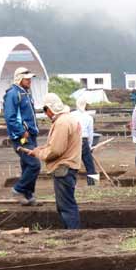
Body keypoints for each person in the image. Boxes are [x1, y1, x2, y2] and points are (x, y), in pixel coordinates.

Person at [29, 93, 83, 229]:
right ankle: (72, 231)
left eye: (45, 111)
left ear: (49, 109)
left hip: (63, 168)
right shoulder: (69, 119)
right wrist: (41, 149)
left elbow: (56, 150)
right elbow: (57, 145)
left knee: (66, 206)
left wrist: (39, 154)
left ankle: (73, 233)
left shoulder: (61, 123)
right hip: (69, 166)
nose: (46, 114)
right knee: (66, 204)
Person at [4, 68, 41, 205]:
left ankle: (28, 196)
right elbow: (10, 117)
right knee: (34, 165)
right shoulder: (13, 94)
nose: (30, 81)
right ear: (19, 79)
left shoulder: (25, 93)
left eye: (30, 78)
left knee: (27, 165)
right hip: (22, 137)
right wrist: (21, 131)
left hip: (30, 135)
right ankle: (18, 189)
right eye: (27, 79)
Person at [72, 96, 98, 186]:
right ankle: (92, 184)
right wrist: (90, 146)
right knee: (89, 163)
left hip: (73, 142)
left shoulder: (71, 115)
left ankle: (72, 184)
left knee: (73, 163)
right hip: (84, 141)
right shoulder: (89, 117)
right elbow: (91, 134)